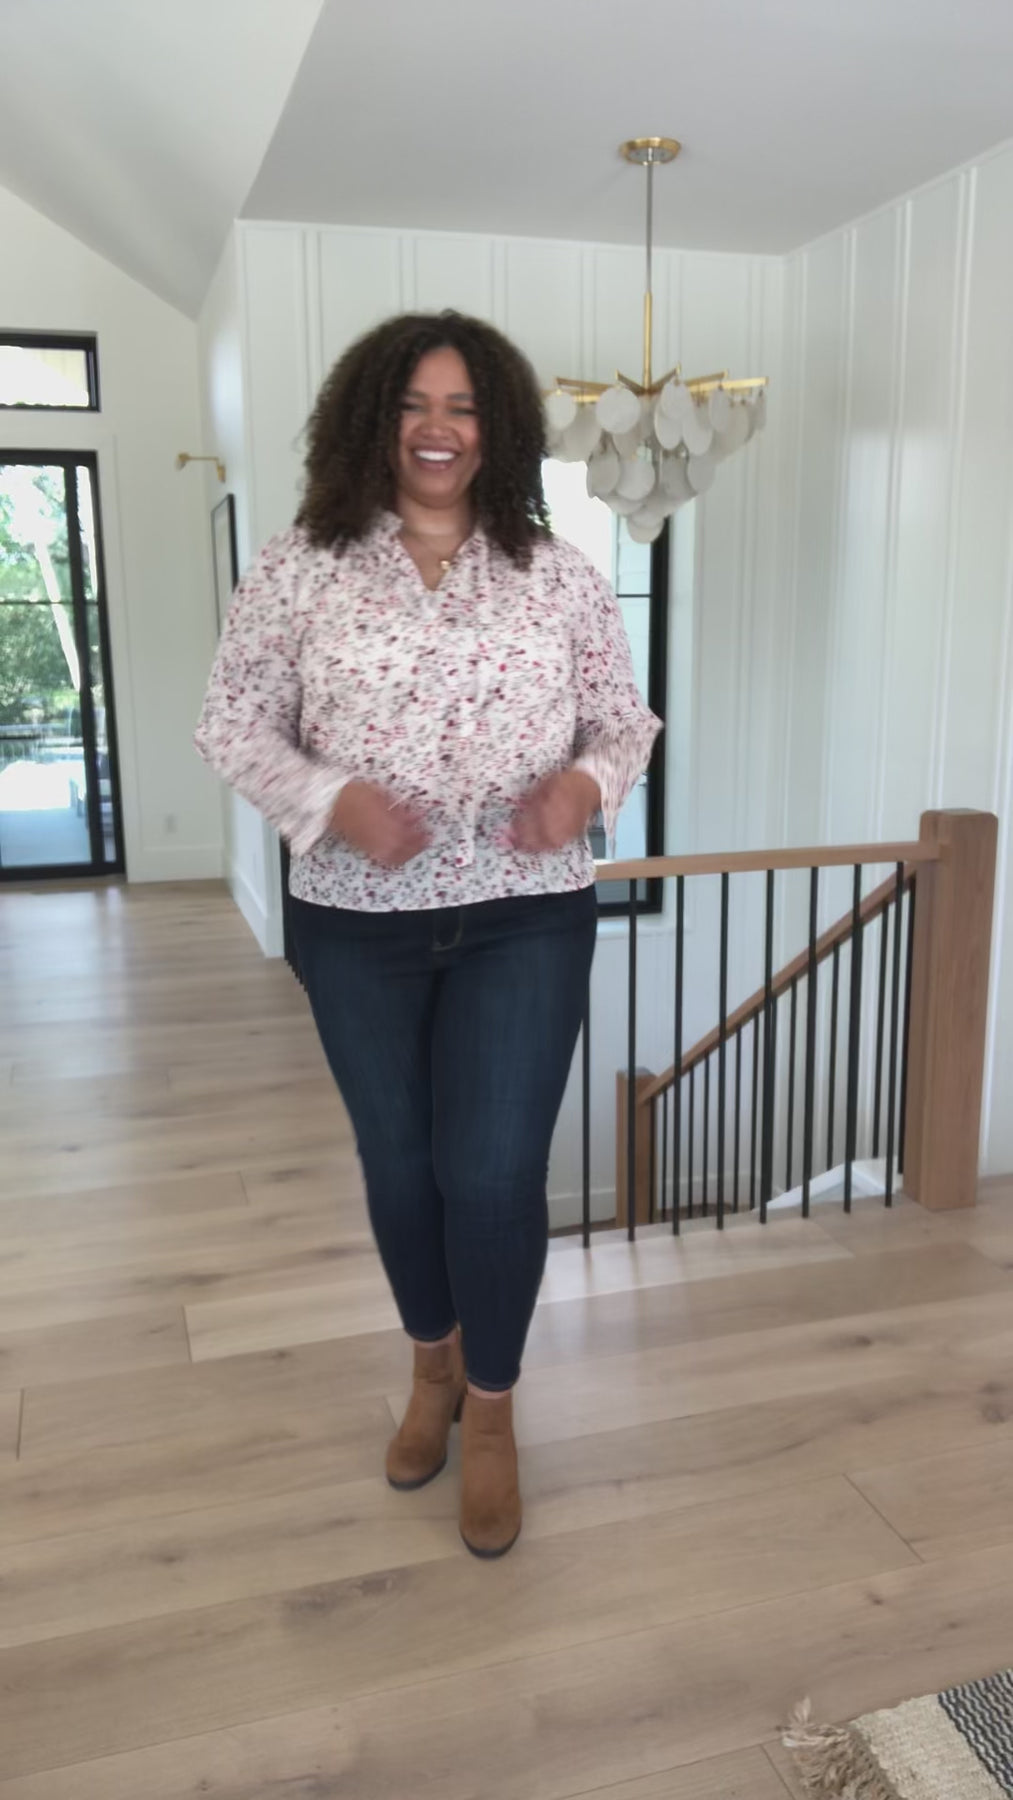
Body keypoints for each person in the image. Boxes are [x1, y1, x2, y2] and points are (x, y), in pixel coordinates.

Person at [195, 310, 660, 1558]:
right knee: (401, 1167)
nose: (436, 429)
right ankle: (431, 1370)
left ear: (494, 427)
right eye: (411, 404)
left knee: (493, 1173)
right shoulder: (299, 568)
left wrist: (585, 787)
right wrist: (329, 798)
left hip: (526, 916)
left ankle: (492, 1408)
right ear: (372, 421)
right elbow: (231, 723)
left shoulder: (557, 573)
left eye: (460, 406)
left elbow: (623, 721)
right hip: (357, 924)